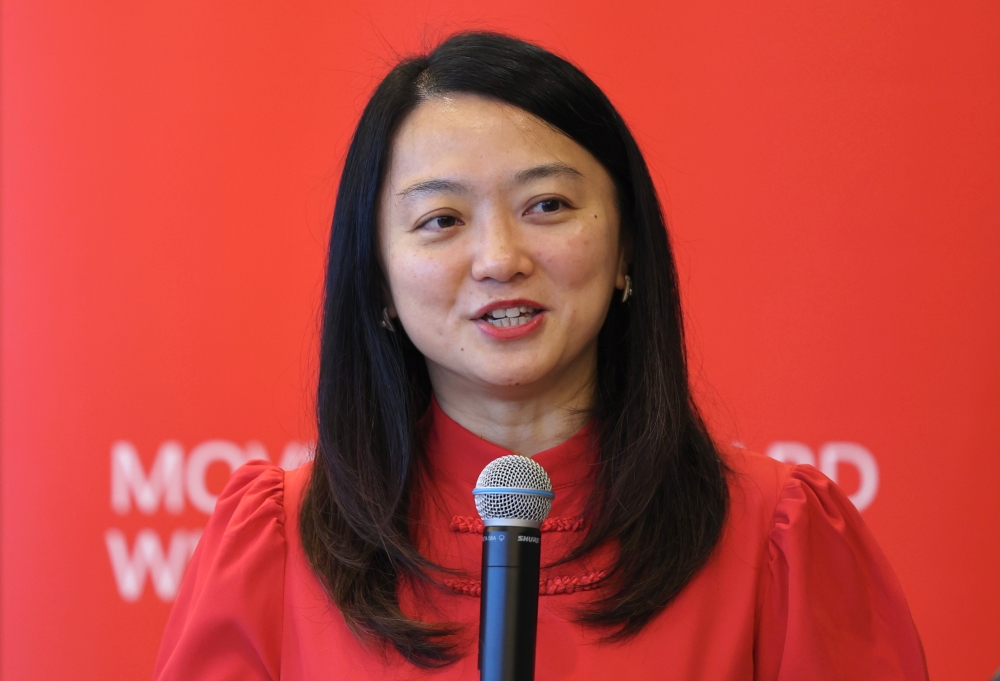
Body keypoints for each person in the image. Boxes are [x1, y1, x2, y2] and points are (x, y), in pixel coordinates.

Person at [153, 32, 928, 680]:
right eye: (441, 219)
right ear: (378, 276)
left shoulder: (776, 536)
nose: (499, 257)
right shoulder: (276, 545)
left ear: (627, 245)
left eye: (547, 206)